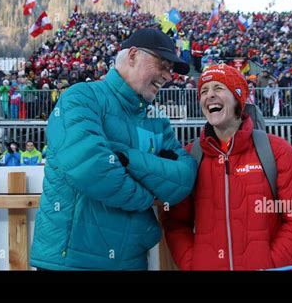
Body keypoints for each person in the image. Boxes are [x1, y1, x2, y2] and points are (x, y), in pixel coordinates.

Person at [30, 28, 197, 270]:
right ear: (132, 55)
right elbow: (92, 169)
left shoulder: (158, 121)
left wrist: (127, 159)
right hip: (71, 263)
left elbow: (183, 178)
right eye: (163, 64)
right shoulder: (81, 97)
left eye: (171, 69)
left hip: (130, 262)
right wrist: (147, 196)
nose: (168, 75)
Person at [162, 64, 292, 270]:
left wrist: (273, 264)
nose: (210, 96)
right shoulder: (191, 156)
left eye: (218, 88)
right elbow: (176, 222)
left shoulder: (276, 151)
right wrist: (194, 264)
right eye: (204, 91)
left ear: (237, 98)